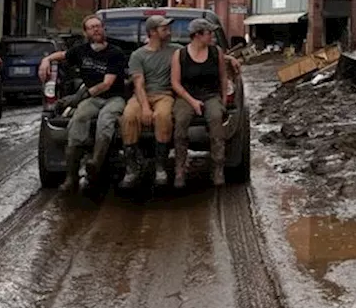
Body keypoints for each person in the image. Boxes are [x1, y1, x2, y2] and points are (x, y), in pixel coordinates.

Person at [37, 15, 128, 191]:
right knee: (78, 119)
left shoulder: (115, 53)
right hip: (92, 99)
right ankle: (71, 177)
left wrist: (76, 98)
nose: (96, 29)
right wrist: (46, 60)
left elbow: (107, 84)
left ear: (103, 29)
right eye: (92, 27)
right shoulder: (81, 50)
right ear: (86, 32)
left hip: (113, 98)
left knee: (105, 121)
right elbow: (62, 55)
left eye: (98, 26)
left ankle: (95, 163)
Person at [117, 15, 179, 188]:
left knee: (163, 116)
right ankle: (131, 167)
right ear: (153, 32)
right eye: (164, 28)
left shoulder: (175, 50)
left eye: (168, 28)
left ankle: (160, 167)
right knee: (128, 116)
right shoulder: (138, 55)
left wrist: (228, 58)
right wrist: (144, 107)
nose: (168, 31)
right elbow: (138, 83)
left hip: (164, 94)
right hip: (141, 95)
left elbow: (199, 52)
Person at [171, 18, 228, 188]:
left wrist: (223, 99)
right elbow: (175, 82)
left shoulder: (216, 52)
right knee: (181, 121)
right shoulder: (180, 55)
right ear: (197, 35)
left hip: (210, 95)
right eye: (209, 33)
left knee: (216, 118)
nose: (212, 36)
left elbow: (223, 77)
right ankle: (180, 168)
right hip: (186, 95)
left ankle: (218, 167)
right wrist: (192, 101)